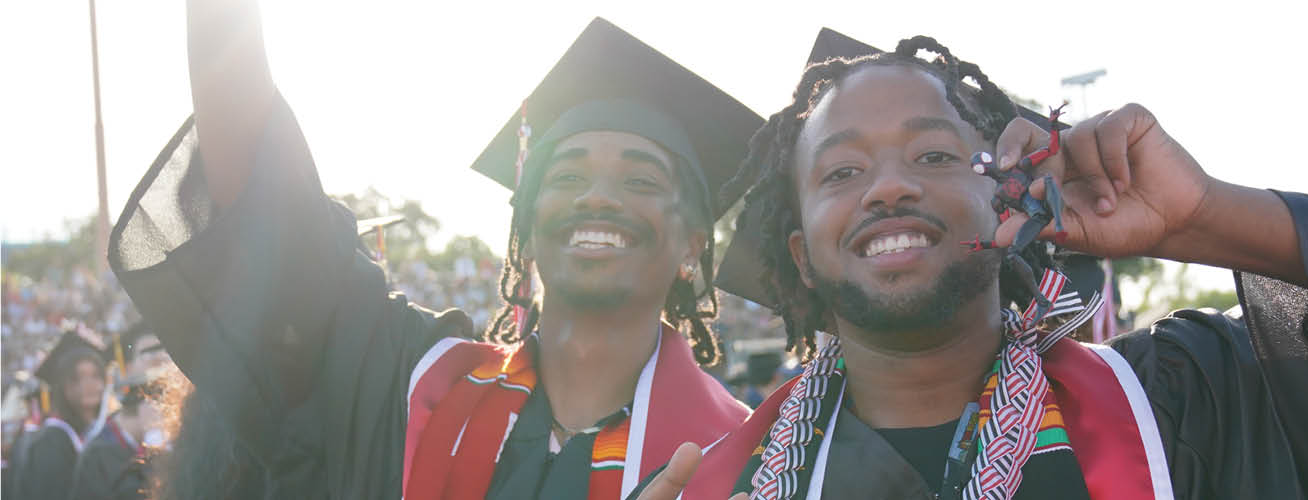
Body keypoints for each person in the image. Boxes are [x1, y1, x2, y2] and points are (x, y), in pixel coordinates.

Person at [632, 30, 1308, 500]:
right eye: (842, 170)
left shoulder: (1184, 399)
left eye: (934, 154)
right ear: (799, 250)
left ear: (1007, 198)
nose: (889, 187)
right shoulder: (725, 483)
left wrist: (1211, 217)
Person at [106, 1, 761, 497]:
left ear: (692, 247)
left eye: (641, 179)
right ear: (527, 230)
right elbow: (268, 207)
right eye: (566, 175)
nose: (598, 196)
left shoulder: (751, 461)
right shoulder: (413, 385)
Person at [69, 323, 171, 500]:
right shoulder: (98, 455)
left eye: (166, 351)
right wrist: (154, 439)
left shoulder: (181, 428)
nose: (161, 358)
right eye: (149, 352)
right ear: (128, 368)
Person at [10, 327, 109, 500]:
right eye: (77, 378)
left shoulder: (88, 434)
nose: (89, 384)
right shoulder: (52, 441)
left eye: (96, 376)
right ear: (63, 387)